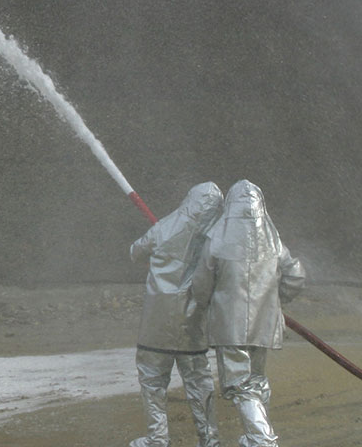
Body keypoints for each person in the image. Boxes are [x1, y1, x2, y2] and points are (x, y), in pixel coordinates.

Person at [192, 180, 306, 447]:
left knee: (240, 385)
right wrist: (277, 300)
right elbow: (296, 275)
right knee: (255, 380)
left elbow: (200, 284)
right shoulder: (273, 241)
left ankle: (261, 438)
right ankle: (257, 432)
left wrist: (204, 306)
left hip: (228, 326)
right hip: (264, 325)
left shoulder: (216, 240)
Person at [129, 182, 224, 447]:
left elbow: (135, 252)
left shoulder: (163, 227)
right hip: (191, 324)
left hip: (156, 324)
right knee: (199, 381)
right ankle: (209, 440)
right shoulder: (217, 236)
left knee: (152, 381)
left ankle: (157, 439)